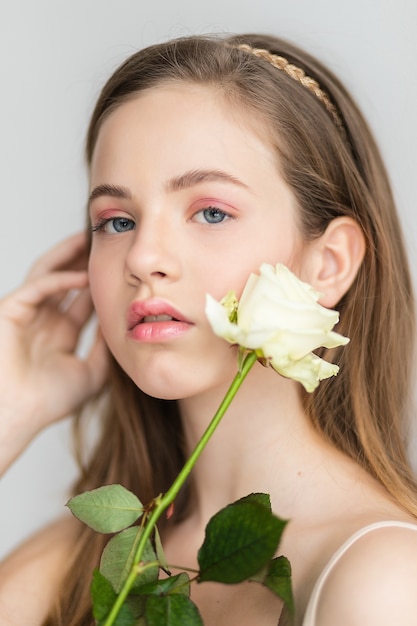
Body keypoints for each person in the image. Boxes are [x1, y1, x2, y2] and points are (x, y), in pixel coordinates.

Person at [0, 32, 416, 626]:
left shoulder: (379, 577)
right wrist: (10, 411)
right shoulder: (77, 562)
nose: (143, 257)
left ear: (329, 264)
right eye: (117, 221)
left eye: (211, 212)